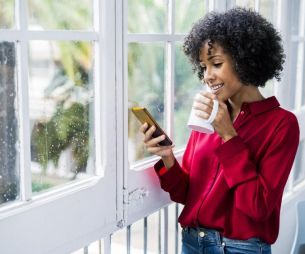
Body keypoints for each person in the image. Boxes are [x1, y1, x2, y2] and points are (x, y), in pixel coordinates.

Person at [139, 7, 299, 254]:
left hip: (239, 249)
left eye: (216, 64)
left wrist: (228, 136)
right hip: (192, 242)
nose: (207, 76)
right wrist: (167, 158)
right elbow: (188, 194)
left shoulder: (282, 125)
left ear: (245, 59)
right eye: (203, 67)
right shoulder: (207, 117)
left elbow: (258, 207)